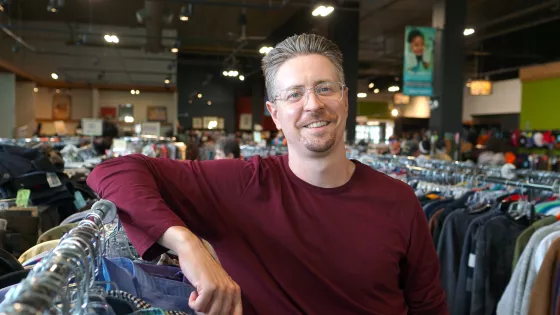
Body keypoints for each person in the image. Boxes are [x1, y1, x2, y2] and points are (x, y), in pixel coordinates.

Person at [87, 34, 447, 315]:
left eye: (325, 88)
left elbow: (428, 306)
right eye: (295, 94)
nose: (313, 104)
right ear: (274, 114)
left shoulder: (398, 200)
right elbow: (113, 171)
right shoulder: (242, 184)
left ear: (345, 98)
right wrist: (188, 246)